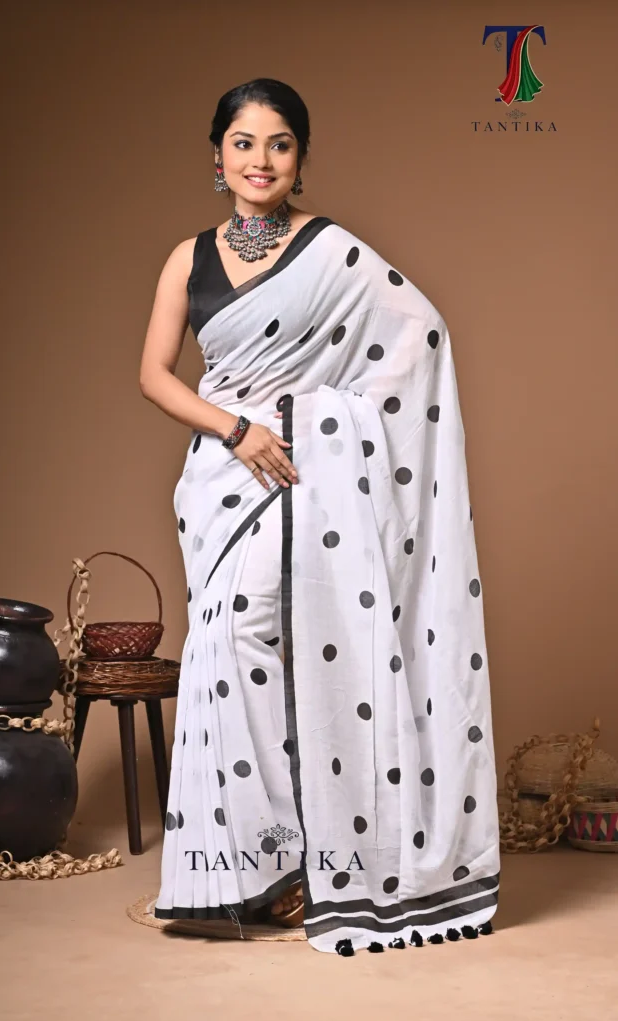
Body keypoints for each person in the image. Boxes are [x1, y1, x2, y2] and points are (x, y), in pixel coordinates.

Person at [139, 78, 500, 955]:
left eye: (279, 144)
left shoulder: (331, 251)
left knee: (255, 636)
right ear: (217, 155)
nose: (259, 160)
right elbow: (153, 376)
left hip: (302, 470)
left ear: (299, 158)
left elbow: (419, 340)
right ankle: (244, 870)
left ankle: (290, 863)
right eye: (243, 143)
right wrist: (237, 431)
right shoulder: (187, 259)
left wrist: (315, 421)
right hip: (220, 476)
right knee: (223, 648)